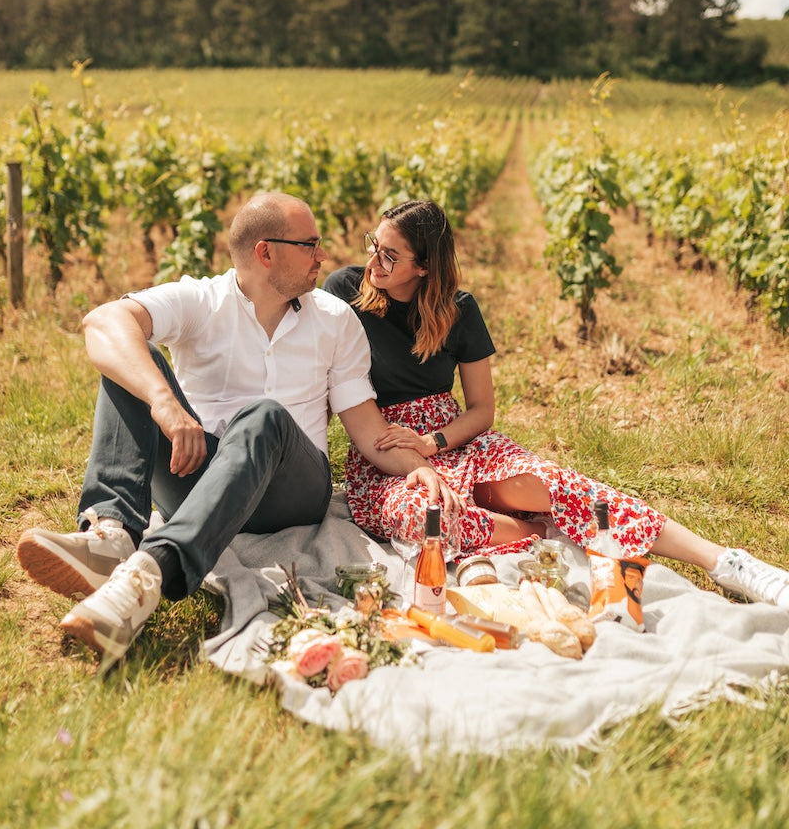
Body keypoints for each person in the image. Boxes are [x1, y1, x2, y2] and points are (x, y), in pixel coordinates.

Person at [16, 192, 454, 663]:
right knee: (130, 365)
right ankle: (112, 535)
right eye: (310, 244)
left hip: (290, 492)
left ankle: (148, 573)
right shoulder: (202, 300)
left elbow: (367, 429)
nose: (323, 256)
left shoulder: (334, 320)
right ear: (266, 252)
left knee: (263, 415)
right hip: (197, 472)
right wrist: (163, 402)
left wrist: (418, 466)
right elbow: (103, 321)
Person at [323, 198, 789, 610]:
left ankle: (725, 562)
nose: (373, 261)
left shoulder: (457, 309)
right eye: (374, 244)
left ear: (424, 267)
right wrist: (412, 451)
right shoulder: (345, 290)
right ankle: (540, 534)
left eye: (389, 254)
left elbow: (482, 409)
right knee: (429, 518)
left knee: (558, 484)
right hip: (387, 447)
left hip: (450, 437)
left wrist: (433, 440)